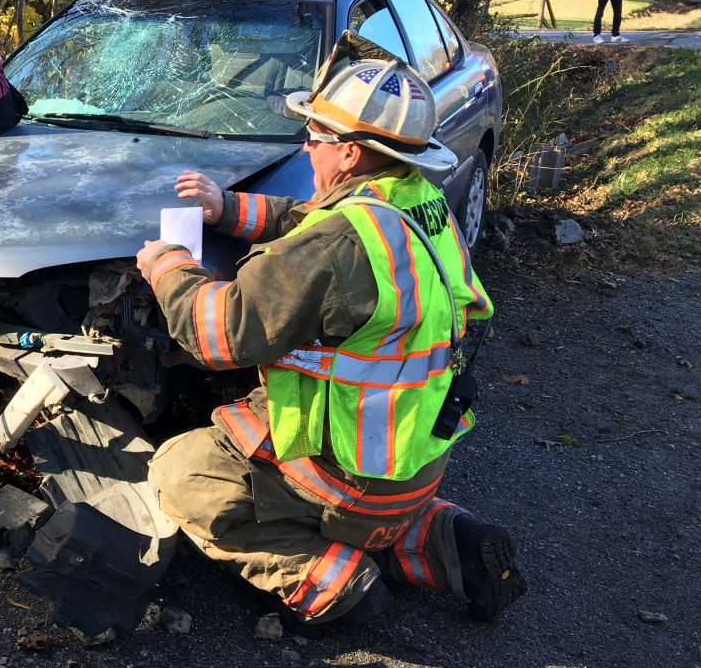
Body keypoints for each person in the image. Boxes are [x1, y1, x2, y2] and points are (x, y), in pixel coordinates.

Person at [134, 38, 526, 636]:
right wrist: (228, 208)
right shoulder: (418, 204)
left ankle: (335, 586)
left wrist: (167, 266)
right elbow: (316, 224)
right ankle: (446, 542)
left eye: (313, 138)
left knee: (182, 473)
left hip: (345, 474)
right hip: (412, 457)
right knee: (376, 507)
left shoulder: (341, 244)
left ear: (346, 153)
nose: (305, 147)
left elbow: (218, 335)